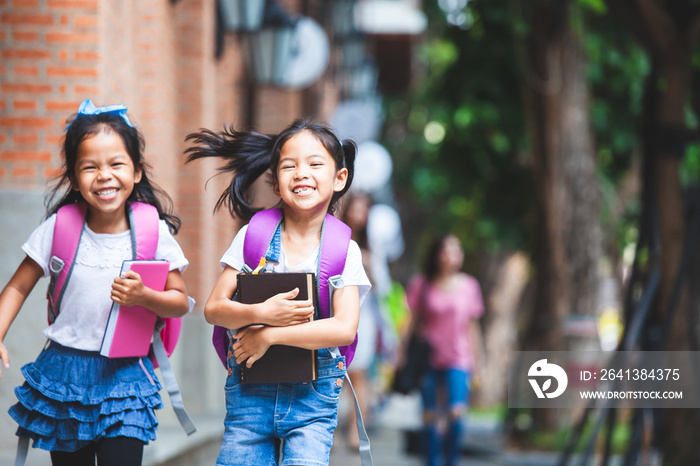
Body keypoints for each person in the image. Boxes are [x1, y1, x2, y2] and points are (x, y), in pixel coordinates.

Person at [0, 99, 191, 466]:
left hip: (125, 376)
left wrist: (145, 296)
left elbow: (180, 301)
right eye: (90, 167)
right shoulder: (58, 228)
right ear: (74, 177)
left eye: (116, 164)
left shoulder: (153, 232)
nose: (104, 175)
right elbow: (17, 286)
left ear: (136, 172)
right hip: (63, 373)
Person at [185, 119, 371, 466]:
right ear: (275, 182)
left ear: (339, 179)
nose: (301, 173)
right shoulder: (251, 238)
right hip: (249, 394)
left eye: (315, 164)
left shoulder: (345, 250)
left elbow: (344, 328)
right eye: (289, 165)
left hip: (312, 400)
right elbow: (214, 309)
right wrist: (259, 314)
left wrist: (269, 335)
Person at [404, 234, 484, 466]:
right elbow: (411, 321)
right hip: (428, 357)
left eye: (457, 250)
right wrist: (401, 354)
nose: (452, 256)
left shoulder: (470, 286)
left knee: (456, 414)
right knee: (430, 416)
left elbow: (473, 326)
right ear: (437, 254)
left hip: (459, 357)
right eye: (447, 250)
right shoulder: (422, 284)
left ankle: (451, 460)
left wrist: (479, 363)